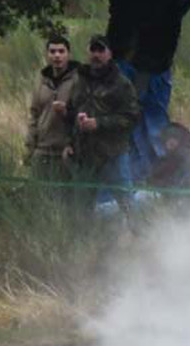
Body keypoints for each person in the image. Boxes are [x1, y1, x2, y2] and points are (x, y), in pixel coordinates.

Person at [63, 35, 140, 213]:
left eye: (101, 50)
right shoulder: (79, 79)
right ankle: (85, 240)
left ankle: (140, 238)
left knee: (127, 204)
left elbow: (132, 118)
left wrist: (99, 123)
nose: (96, 55)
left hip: (113, 154)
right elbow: (70, 112)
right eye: (93, 50)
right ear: (87, 52)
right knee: (81, 208)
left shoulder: (121, 83)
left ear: (109, 54)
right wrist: (68, 142)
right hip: (84, 155)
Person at [25, 34, 77, 184]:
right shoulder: (41, 81)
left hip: (66, 151)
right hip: (42, 150)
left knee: (65, 200)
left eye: (61, 51)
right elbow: (34, 115)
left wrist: (73, 144)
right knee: (38, 196)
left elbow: (84, 115)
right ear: (47, 55)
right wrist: (30, 147)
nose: (57, 56)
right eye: (53, 52)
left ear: (68, 54)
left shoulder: (79, 81)